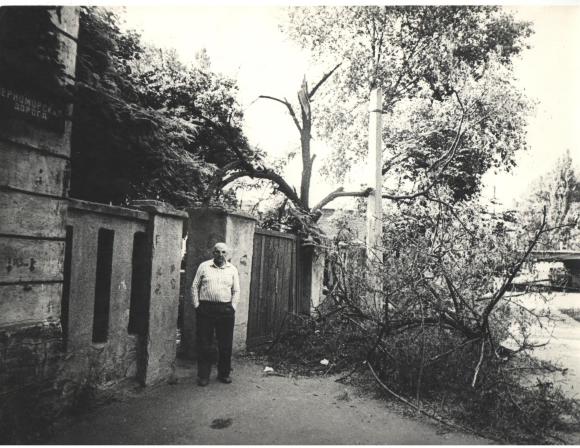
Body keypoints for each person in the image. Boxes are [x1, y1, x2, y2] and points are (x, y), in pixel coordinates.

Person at [191, 242, 240, 386]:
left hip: (225, 310)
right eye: (217, 252)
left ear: (227, 254)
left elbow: (236, 290)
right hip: (205, 309)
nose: (220, 255)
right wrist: (197, 305)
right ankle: (203, 376)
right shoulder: (204, 266)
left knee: (225, 344)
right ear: (213, 253)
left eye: (223, 252)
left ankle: (224, 374)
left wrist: (233, 307)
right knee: (204, 343)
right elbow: (194, 286)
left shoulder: (232, 269)